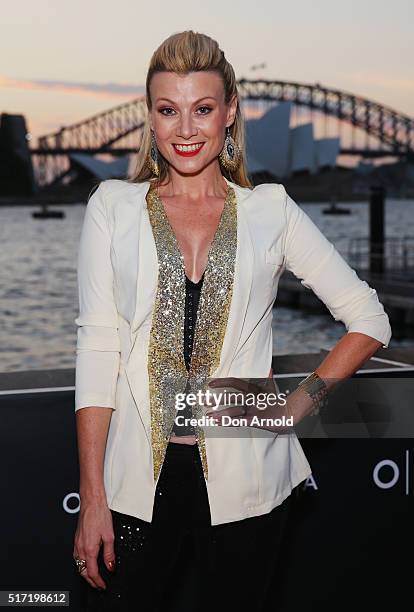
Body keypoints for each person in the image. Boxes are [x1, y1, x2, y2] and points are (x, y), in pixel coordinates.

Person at [72, 30, 392, 611]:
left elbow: (368, 317)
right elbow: (98, 352)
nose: (186, 129)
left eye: (203, 109)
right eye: (168, 111)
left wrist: (298, 405)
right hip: (133, 487)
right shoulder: (111, 208)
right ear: (150, 117)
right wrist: (92, 495)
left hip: (249, 484)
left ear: (231, 113)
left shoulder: (270, 211)